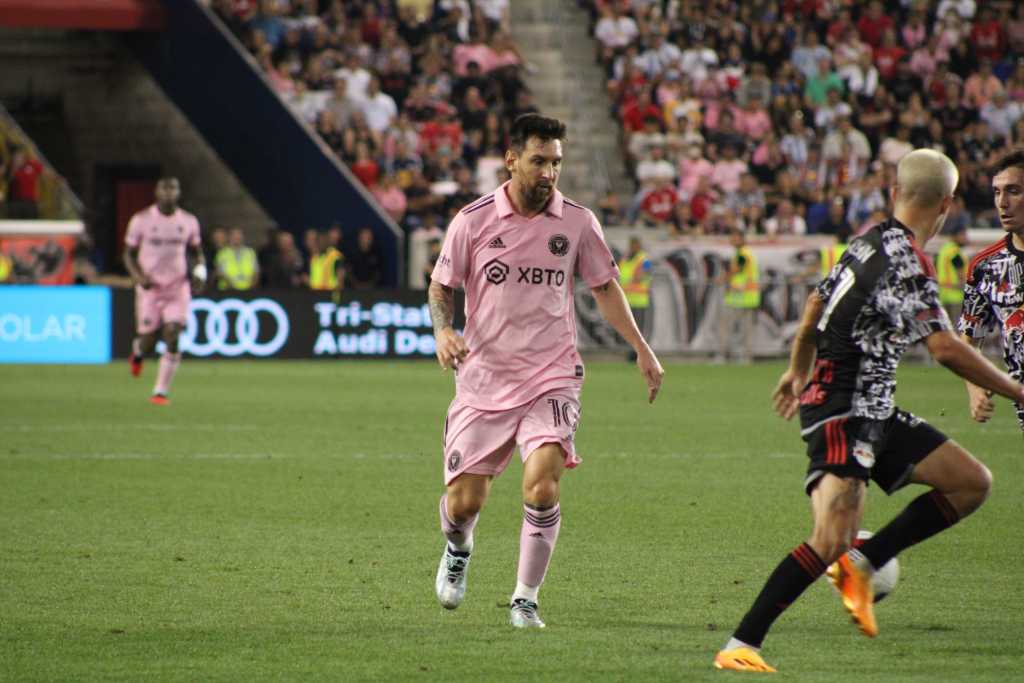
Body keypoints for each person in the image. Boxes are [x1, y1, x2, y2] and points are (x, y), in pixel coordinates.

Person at [714, 149, 1024, 673]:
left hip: (873, 407)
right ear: (947, 204)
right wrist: (1018, 392)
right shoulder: (908, 260)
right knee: (830, 535)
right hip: (843, 409)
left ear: (894, 194)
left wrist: (796, 368)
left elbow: (815, 305)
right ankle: (741, 644)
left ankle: (864, 562)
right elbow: (945, 348)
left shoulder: (866, 241)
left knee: (971, 482)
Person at [428, 113, 664, 629]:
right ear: (511, 160)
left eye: (556, 162)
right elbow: (442, 286)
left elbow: (604, 288)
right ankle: (459, 548)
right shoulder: (472, 220)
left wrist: (642, 349)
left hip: (552, 373)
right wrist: (444, 331)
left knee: (542, 485)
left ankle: (525, 598)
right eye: (539, 161)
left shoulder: (578, 222)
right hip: (484, 376)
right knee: (463, 504)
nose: (549, 172)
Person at [124, 177, 206, 406]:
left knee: (173, 333)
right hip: (150, 288)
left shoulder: (188, 221)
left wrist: (200, 273)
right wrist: (138, 277)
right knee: (148, 340)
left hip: (177, 287)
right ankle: (138, 352)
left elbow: (197, 252)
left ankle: (160, 392)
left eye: (173, 189)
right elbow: (128, 254)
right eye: (165, 188)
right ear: (156, 192)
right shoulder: (141, 220)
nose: (169, 193)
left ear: (178, 193)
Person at [959, 148, 1024, 434]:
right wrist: (974, 388)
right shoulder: (986, 266)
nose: (1003, 202)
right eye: (997, 193)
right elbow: (967, 344)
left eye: (1013, 191)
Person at [716, 229, 760, 364]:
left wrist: (722, 279)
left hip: (738, 297)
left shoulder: (743, 255)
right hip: (747, 297)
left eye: (734, 237)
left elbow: (735, 270)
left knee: (728, 327)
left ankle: (724, 355)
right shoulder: (746, 254)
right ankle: (746, 356)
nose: (732, 240)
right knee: (745, 329)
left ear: (741, 239)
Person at [618, 236, 652, 338]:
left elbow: (646, 273)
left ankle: (636, 352)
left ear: (639, 246)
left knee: (638, 329)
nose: (633, 247)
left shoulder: (644, 259)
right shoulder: (625, 258)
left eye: (635, 244)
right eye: (631, 245)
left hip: (639, 300)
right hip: (626, 299)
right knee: (628, 329)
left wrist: (640, 276)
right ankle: (630, 350)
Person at [936, 224, 968, 323]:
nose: (965, 238)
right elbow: (960, 270)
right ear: (955, 236)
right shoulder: (954, 251)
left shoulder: (943, 250)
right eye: (963, 235)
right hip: (956, 295)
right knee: (957, 327)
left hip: (943, 293)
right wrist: (963, 285)